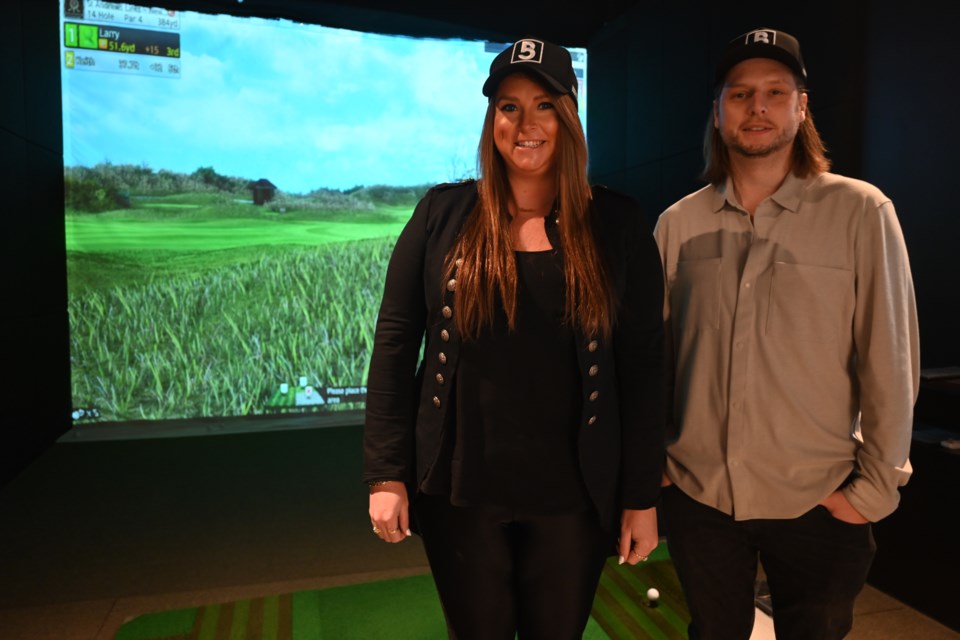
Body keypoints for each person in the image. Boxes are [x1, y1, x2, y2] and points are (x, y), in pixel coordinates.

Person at [363, 37, 666, 639]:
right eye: (509, 106)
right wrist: (385, 473)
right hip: (459, 493)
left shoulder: (618, 224)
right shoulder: (441, 215)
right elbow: (396, 346)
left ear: (570, 117)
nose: (526, 123)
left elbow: (644, 369)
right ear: (491, 119)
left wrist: (641, 496)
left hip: (574, 500)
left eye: (545, 105)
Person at [653, 27, 920, 640]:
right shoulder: (677, 224)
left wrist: (872, 492)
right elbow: (656, 360)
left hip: (818, 500)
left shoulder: (862, 212)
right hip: (702, 500)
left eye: (776, 91)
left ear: (802, 107)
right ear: (718, 113)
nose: (759, 107)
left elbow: (891, 361)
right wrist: (661, 465)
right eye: (741, 94)